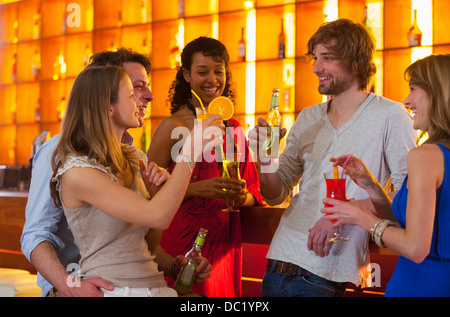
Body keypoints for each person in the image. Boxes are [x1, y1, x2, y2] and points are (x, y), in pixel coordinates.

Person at [20, 48, 211, 297]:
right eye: (135, 89)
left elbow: (140, 239)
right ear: (104, 97)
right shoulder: (62, 155)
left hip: (140, 282)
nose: (148, 96)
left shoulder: (133, 156)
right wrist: (70, 286)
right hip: (82, 285)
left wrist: (174, 267)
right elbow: (35, 235)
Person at [248, 19, 417, 297]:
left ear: (355, 62)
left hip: (326, 272)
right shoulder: (308, 117)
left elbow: (405, 197)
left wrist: (341, 213)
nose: (316, 68)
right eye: (315, 58)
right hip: (278, 259)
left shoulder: (391, 115)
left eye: (326, 58)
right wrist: (265, 157)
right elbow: (275, 195)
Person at [322, 54, 450, 296]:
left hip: (422, 284)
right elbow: (422, 222)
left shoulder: (425, 156)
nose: (406, 99)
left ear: (437, 93)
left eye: (413, 89)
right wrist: (371, 185)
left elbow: (415, 247)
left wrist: (361, 217)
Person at [147, 37, 263, 297]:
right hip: (177, 247)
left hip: (224, 246)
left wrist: (239, 196)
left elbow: (254, 191)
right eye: (202, 72)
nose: (212, 79)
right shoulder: (171, 128)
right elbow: (145, 194)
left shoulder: (233, 128)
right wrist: (198, 188)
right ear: (186, 75)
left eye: (218, 71)